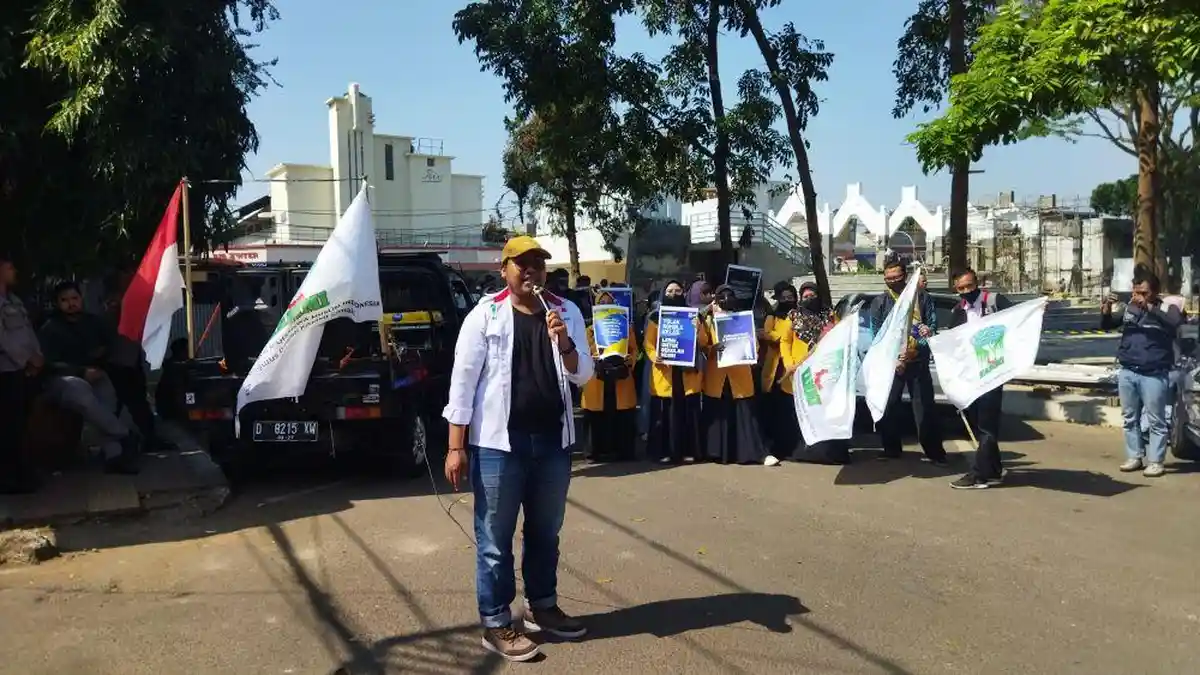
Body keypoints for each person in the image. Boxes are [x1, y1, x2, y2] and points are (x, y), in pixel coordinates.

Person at [442, 235, 594, 662]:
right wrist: (456, 446)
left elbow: (583, 374)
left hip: (553, 444)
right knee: (494, 538)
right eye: (521, 264)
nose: (531, 272)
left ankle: (541, 607)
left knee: (546, 533)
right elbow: (463, 382)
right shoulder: (484, 315)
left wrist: (564, 343)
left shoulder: (565, 312)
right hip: (497, 446)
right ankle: (495, 623)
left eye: (538, 265)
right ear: (504, 269)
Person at [38, 280, 141, 474]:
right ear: (57, 303)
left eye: (74, 298)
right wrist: (80, 372)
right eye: (65, 300)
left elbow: (109, 347)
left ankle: (114, 456)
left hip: (95, 374)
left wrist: (99, 362)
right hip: (61, 381)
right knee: (80, 390)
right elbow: (48, 364)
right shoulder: (50, 328)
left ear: (81, 299)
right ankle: (125, 434)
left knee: (106, 397)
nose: (71, 303)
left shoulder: (94, 323)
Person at [1102, 265, 1182, 478]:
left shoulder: (1167, 308)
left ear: (1155, 292)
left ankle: (1156, 461)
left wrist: (1148, 308)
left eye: (1144, 293)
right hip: (1128, 371)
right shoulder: (1130, 308)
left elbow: (1174, 325)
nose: (1138, 297)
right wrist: (1107, 310)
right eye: (1136, 292)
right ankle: (1134, 456)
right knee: (1129, 418)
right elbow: (1107, 326)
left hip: (1154, 373)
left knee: (1156, 420)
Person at [869, 261, 948, 465]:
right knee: (888, 405)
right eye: (888, 278)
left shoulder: (922, 298)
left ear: (905, 276)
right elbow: (876, 334)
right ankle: (891, 449)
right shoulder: (880, 302)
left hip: (917, 361)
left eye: (896, 277)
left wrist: (916, 349)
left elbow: (931, 327)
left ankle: (934, 452)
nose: (892, 281)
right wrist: (893, 357)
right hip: (891, 364)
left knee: (924, 409)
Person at [947, 268, 1013, 489]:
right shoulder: (958, 310)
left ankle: (978, 475)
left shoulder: (995, 301)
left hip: (992, 371)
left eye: (970, 286)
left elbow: (1018, 320)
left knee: (986, 425)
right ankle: (993, 469)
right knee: (980, 424)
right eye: (961, 288)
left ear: (977, 283)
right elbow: (953, 343)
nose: (967, 291)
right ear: (956, 289)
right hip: (971, 376)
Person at [702, 284, 776, 466]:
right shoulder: (708, 321)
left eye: (729, 296)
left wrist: (750, 350)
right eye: (722, 297)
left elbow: (754, 346)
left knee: (745, 415)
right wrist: (712, 347)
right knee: (720, 413)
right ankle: (717, 452)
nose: (726, 300)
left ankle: (755, 453)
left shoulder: (743, 320)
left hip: (740, 375)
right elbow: (702, 345)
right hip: (717, 376)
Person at [785, 283, 850, 465]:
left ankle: (829, 453)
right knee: (806, 409)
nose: (809, 300)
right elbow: (785, 341)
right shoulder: (793, 315)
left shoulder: (829, 315)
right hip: (801, 370)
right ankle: (804, 452)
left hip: (823, 370)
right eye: (805, 297)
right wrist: (789, 363)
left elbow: (839, 336)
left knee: (824, 410)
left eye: (812, 296)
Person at [644, 280, 708, 464]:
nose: (674, 294)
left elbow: (704, 342)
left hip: (688, 373)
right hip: (665, 372)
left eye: (678, 290)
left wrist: (698, 329)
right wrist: (653, 355)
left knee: (688, 413)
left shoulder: (695, 316)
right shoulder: (656, 317)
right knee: (666, 414)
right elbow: (648, 343)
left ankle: (689, 451)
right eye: (670, 291)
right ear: (664, 293)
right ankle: (664, 451)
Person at [0, 254, 44, 493]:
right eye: (9, 266)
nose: (13, 270)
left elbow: (26, 332)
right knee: (8, 427)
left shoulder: (13, 299)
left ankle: (21, 472)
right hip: (6, 371)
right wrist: (26, 358)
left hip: (21, 371)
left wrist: (36, 357)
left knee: (19, 424)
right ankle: (10, 478)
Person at [581, 289, 639, 462]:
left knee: (621, 413)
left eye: (609, 302)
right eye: (602, 302)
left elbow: (635, 350)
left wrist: (630, 359)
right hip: (598, 375)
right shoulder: (590, 329)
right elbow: (583, 350)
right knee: (597, 413)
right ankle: (595, 451)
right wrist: (594, 354)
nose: (606, 305)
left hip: (620, 374)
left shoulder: (626, 327)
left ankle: (623, 451)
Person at [759, 281, 800, 459]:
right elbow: (766, 334)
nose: (787, 300)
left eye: (790, 297)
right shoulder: (773, 316)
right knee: (775, 405)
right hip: (776, 366)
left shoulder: (800, 315)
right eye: (783, 298)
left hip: (794, 364)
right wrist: (782, 338)